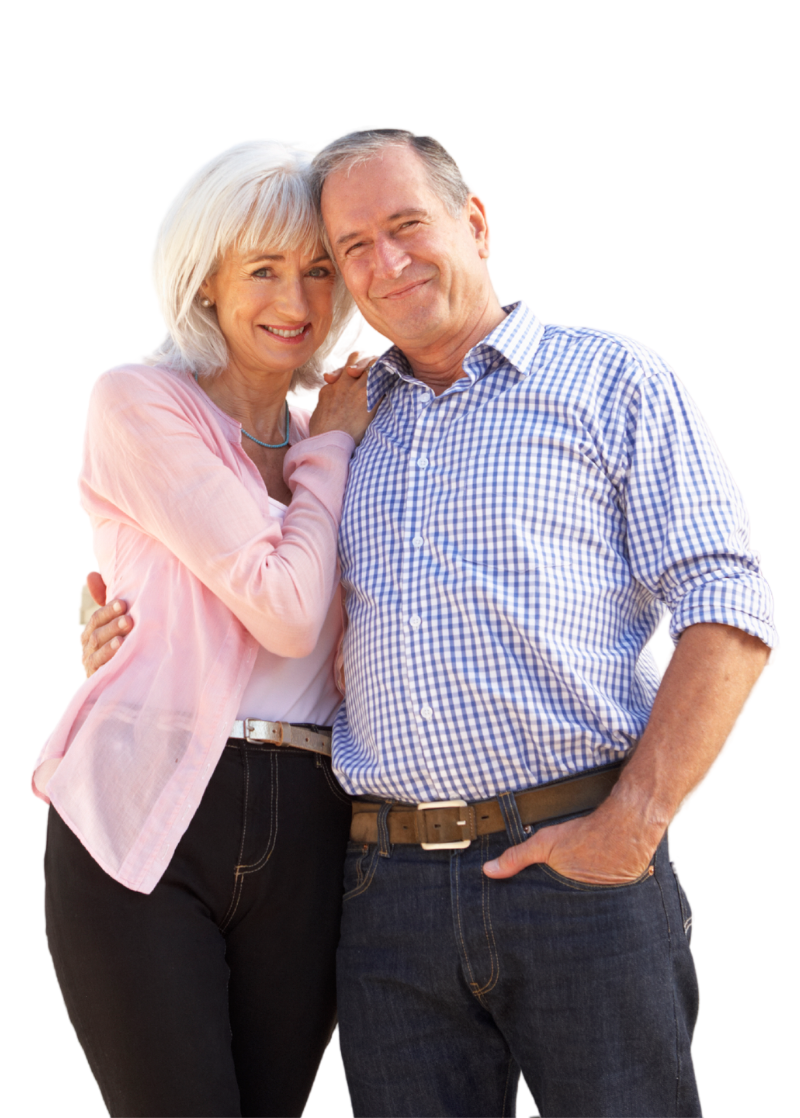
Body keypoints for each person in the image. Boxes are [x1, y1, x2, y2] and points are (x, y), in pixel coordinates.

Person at [80, 126, 780, 1118]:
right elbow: (234, 574)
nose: (384, 263)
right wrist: (110, 612)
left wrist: (633, 823)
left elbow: (726, 602)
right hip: (383, 894)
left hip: (579, 869)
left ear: (475, 220)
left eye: (404, 226)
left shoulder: (610, 379)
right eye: (352, 248)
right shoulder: (344, 423)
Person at [31, 136, 377, 1118]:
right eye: (261, 268)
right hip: (144, 811)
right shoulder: (141, 400)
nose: (296, 300)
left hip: (312, 818)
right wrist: (332, 454)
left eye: (318, 269)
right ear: (207, 281)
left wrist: (330, 444)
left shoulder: (337, 439)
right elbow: (282, 606)